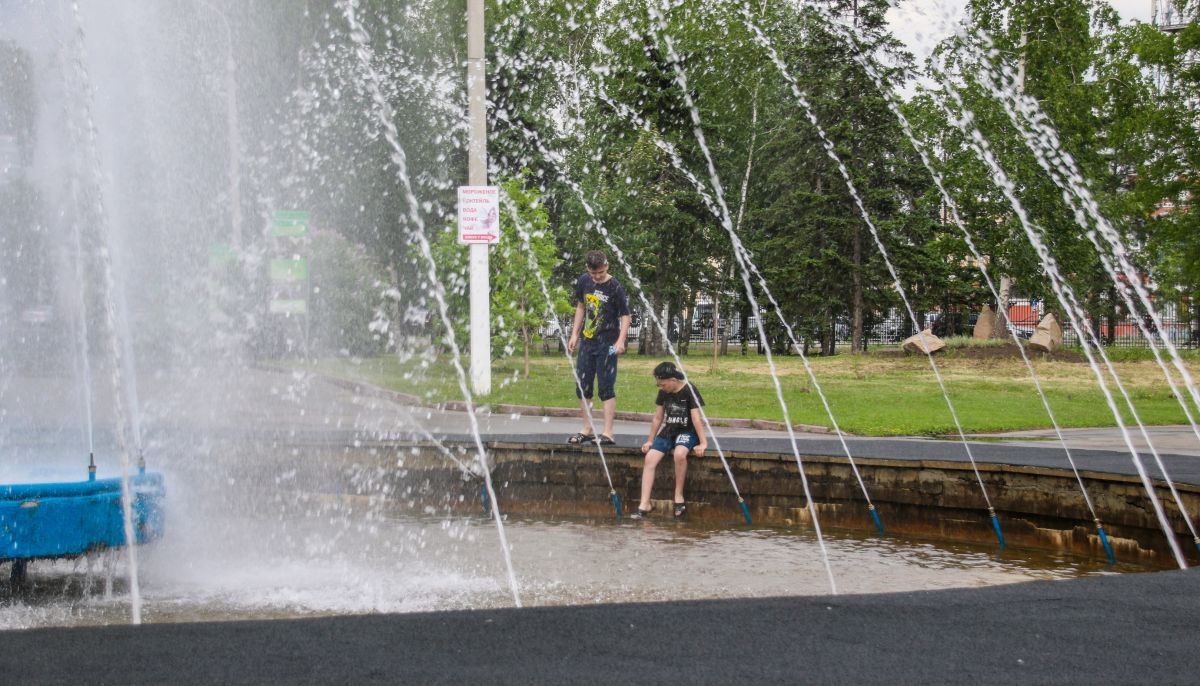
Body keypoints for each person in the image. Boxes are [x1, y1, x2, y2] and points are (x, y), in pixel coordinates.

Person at [566, 250, 631, 445]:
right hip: (587, 342)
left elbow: (625, 316)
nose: (597, 277)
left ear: (606, 266)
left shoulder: (615, 286)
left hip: (609, 345)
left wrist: (620, 341)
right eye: (593, 273)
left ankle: (608, 432)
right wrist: (574, 334)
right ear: (588, 269)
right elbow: (581, 306)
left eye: (600, 273)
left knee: (605, 385)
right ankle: (586, 429)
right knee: (583, 386)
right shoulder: (584, 281)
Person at [631, 361, 707, 519]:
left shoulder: (689, 390)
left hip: (688, 431)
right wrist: (650, 440)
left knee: (679, 454)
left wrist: (703, 442)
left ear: (673, 380)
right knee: (650, 458)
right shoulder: (663, 393)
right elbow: (658, 418)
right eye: (659, 385)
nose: (661, 388)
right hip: (669, 431)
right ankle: (645, 503)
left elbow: (696, 418)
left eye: (663, 384)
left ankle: (678, 496)